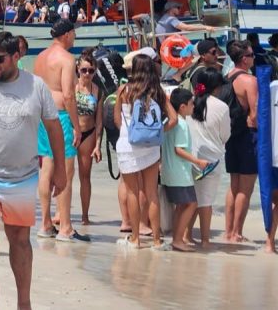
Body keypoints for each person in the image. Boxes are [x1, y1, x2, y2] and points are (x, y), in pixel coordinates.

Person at [0, 32, 66, 310]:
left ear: (17, 56)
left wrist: (60, 170)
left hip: (23, 177)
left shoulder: (36, 86)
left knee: (19, 239)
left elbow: (54, 127)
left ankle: (24, 300)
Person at [114, 53, 178, 250]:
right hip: (150, 146)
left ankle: (135, 239)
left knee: (132, 192)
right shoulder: (157, 92)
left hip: (128, 143)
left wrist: (128, 133)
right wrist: (158, 132)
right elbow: (174, 119)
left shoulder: (124, 90)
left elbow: (117, 120)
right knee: (151, 193)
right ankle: (157, 240)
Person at [33, 20, 88, 242]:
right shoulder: (66, 58)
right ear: (66, 34)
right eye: (73, 32)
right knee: (65, 171)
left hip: (41, 116)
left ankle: (45, 223)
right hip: (61, 116)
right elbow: (68, 95)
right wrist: (76, 126)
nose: (75, 37)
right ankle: (65, 226)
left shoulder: (40, 57)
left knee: (46, 167)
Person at [186, 68, 230, 249]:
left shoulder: (189, 102)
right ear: (216, 87)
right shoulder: (221, 107)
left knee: (190, 201)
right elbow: (225, 136)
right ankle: (205, 240)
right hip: (211, 160)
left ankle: (185, 235)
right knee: (205, 203)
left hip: (190, 158)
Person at [223, 40, 259, 243]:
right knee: (246, 188)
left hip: (231, 136)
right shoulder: (249, 81)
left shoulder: (227, 77)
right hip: (247, 136)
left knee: (233, 185)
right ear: (244, 59)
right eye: (252, 55)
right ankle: (236, 232)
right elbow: (254, 115)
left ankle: (228, 231)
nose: (254, 58)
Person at [161, 88, 200, 252]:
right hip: (180, 173)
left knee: (181, 206)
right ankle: (177, 239)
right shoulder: (182, 124)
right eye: (191, 104)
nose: (194, 107)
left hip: (169, 172)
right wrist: (198, 162)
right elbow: (179, 150)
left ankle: (176, 238)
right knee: (191, 204)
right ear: (182, 107)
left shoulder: (169, 122)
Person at [75, 51, 103, 225]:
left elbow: (99, 120)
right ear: (78, 69)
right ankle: (60, 214)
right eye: (84, 70)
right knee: (63, 174)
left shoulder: (97, 90)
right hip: (71, 132)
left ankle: (85, 216)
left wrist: (98, 144)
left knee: (85, 176)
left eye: (91, 71)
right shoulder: (71, 86)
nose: (87, 74)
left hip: (89, 133)